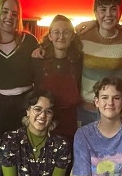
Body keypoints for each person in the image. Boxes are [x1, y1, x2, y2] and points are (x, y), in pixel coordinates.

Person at [75, 0, 122, 126]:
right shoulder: (83, 38)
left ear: (120, 12)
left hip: (119, 111)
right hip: (87, 111)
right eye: (103, 10)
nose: (108, 14)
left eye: (113, 9)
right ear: (95, 12)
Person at [0, 0, 39, 137]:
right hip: (1, 104)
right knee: (2, 144)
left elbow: (41, 72)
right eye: (5, 11)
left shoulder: (29, 41)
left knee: (29, 142)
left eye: (14, 14)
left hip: (27, 100)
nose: (9, 16)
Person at [31, 14, 83, 142]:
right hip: (43, 124)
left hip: (69, 125)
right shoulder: (38, 60)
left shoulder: (79, 61)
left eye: (66, 32)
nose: (61, 36)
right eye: (56, 32)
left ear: (72, 37)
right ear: (50, 36)